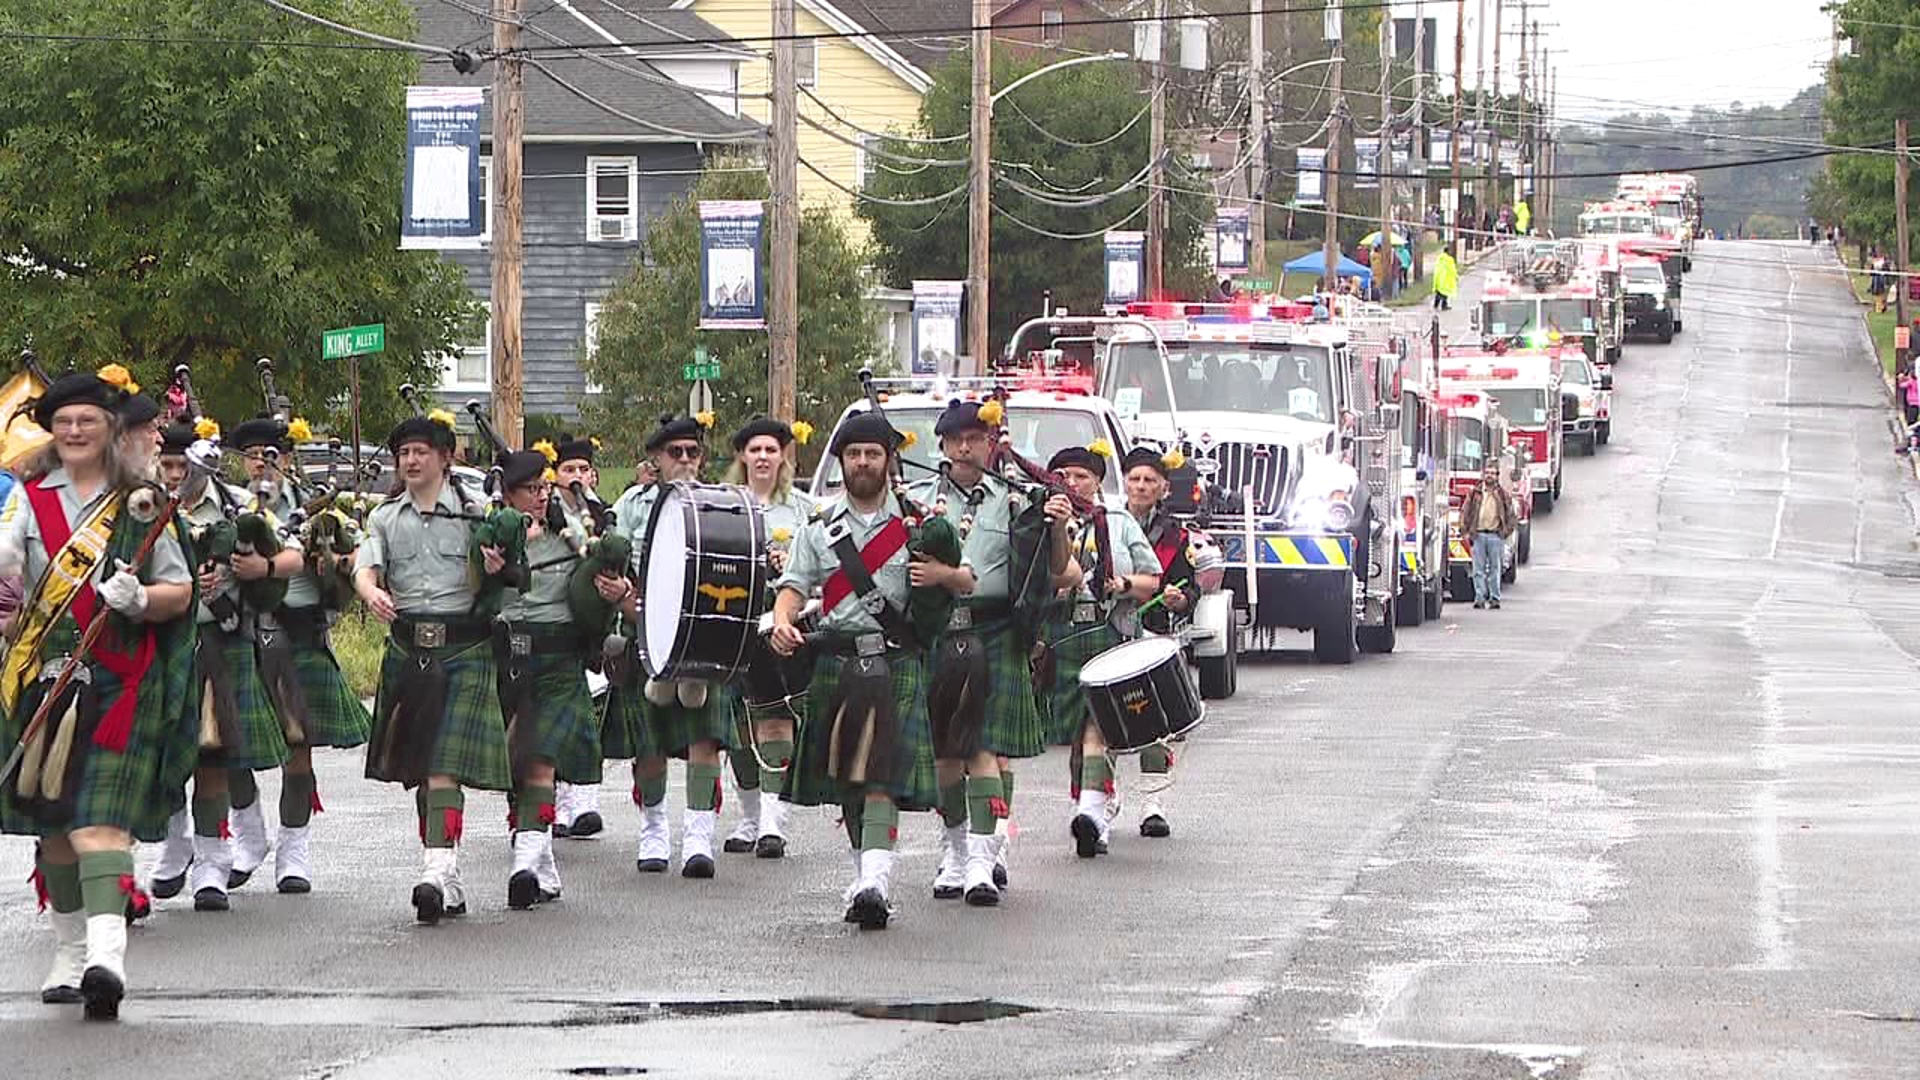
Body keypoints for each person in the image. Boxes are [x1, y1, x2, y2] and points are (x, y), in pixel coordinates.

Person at [2, 367, 198, 1020]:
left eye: (87, 420)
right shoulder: (27, 501)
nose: (76, 431)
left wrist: (140, 599)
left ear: (109, 429)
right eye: (64, 422)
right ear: (51, 433)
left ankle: (106, 958)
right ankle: (68, 948)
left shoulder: (139, 502)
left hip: (118, 686)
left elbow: (181, 592)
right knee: (56, 830)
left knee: (98, 823)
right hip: (46, 683)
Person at [769, 411, 958, 928]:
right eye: (853, 454)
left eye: (872, 454)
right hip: (836, 658)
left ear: (888, 461)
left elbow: (952, 587)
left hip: (895, 658)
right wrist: (784, 620)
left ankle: (876, 881)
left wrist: (944, 573)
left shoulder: (917, 526)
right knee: (850, 781)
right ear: (842, 462)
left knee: (880, 775)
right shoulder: (819, 528)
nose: (862, 462)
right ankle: (863, 874)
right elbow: (794, 585)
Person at [906, 400, 1069, 907]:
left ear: (993, 443)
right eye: (956, 439)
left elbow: (1059, 569)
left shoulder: (1019, 501)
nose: (964, 447)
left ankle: (981, 858)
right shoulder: (915, 500)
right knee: (945, 757)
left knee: (979, 747)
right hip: (936, 631)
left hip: (994, 629)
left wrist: (1059, 524)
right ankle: (957, 851)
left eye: (976, 437)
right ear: (942, 445)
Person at [353, 410, 511, 924]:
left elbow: (508, 576)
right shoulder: (384, 517)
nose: (411, 460)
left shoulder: (476, 513)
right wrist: (372, 591)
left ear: (446, 458)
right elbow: (365, 566)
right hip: (407, 650)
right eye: (403, 454)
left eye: (421, 452)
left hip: (464, 649)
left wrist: (495, 568)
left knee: (443, 765)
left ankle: (434, 870)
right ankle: (448, 873)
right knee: (424, 769)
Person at [222, 415, 371, 895]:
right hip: (243, 639)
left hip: (300, 639)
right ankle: (248, 836)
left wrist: (337, 559)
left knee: (297, 752)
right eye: (252, 456)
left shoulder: (316, 513)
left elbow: (352, 559)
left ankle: (294, 850)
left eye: (271, 455)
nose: (261, 464)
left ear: (286, 460)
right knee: (227, 747)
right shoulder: (232, 507)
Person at [603, 415, 734, 879]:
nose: (683, 460)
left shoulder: (720, 502)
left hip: (704, 633)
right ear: (655, 460)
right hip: (644, 630)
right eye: (674, 453)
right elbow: (609, 565)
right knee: (649, 740)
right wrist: (621, 597)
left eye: (691, 452)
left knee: (705, 738)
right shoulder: (630, 507)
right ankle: (654, 829)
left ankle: (699, 835)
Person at [175, 417, 292, 912]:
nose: (173, 472)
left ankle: (214, 861)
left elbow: (287, 561)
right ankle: (174, 849)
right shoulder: (141, 507)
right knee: (170, 755)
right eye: (164, 462)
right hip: (168, 645)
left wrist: (257, 569)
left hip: (232, 639)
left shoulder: (239, 507)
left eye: (180, 463)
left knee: (216, 755)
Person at [1037, 445, 1158, 859]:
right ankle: (1095, 807)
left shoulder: (1120, 523)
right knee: (1076, 734)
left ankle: (1090, 814)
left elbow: (1152, 579)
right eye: (1063, 476)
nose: (1072, 484)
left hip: (1111, 634)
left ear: (1097, 481)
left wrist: (1124, 584)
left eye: (1081, 476)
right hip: (1062, 637)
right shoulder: (1039, 524)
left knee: (1097, 729)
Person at [493, 447, 599, 909]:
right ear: (508, 494)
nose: (540, 497)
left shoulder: (570, 534)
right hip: (507, 659)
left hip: (558, 662)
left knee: (540, 762)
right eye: (530, 490)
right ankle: (544, 867)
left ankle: (524, 863)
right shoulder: (491, 536)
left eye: (544, 488)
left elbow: (592, 589)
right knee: (519, 769)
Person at [719, 416, 816, 859]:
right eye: (754, 450)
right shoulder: (724, 503)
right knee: (739, 726)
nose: (762, 457)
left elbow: (821, 571)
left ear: (782, 457)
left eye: (770, 450)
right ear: (743, 456)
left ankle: (774, 820)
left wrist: (787, 566)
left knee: (776, 720)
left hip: (782, 623)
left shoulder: (803, 509)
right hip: (732, 621)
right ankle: (750, 816)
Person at [1121, 446, 1198, 837]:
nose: (1141, 486)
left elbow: (1190, 589)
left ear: (1164, 487)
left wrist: (1179, 599)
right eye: (1134, 479)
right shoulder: (1106, 523)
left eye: (1150, 480)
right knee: (1100, 724)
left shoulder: (1176, 535)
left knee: (1155, 725)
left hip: (1154, 635)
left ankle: (1153, 803)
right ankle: (1098, 801)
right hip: (1111, 631)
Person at [550, 434, 607, 840]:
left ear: (594, 476)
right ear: (555, 477)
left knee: (589, 720)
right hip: (554, 624)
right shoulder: (545, 514)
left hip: (594, 627)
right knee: (556, 721)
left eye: (582, 470)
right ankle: (560, 805)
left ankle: (586, 803)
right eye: (568, 469)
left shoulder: (603, 515)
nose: (576, 477)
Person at [1460, 461, 1515, 610]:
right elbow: (1465, 512)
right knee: (1478, 570)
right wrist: (1465, 531)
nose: (1489, 476)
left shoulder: (1503, 495)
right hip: (1478, 535)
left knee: (1494, 569)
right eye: (1487, 473)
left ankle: (1494, 598)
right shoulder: (1475, 493)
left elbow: (1511, 516)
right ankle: (1479, 598)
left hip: (1495, 536)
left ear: (1497, 476)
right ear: (1483, 475)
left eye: (1492, 473)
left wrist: (1504, 533)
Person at [1434, 247, 1459, 312]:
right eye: (1450, 251)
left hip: (1439, 278)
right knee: (1445, 293)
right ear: (1447, 251)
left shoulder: (1440, 258)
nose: (1451, 252)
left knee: (1439, 292)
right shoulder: (1449, 260)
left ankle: (1436, 305)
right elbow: (1452, 269)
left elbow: (1436, 267)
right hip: (1446, 278)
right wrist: (1456, 276)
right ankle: (1444, 306)